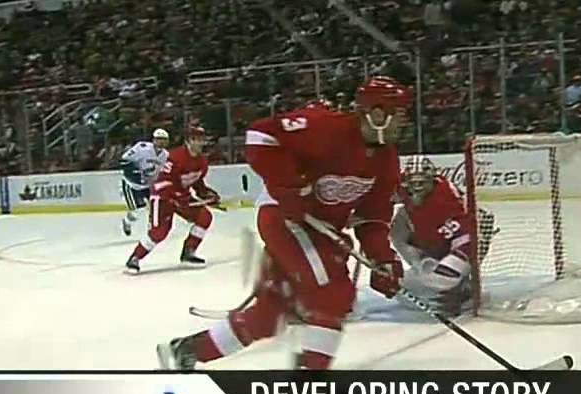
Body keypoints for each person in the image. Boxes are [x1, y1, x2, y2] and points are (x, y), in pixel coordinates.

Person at [156, 77, 412, 371]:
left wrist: (382, 258)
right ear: (377, 113)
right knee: (334, 293)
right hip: (284, 218)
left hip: (319, 231)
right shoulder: (326, 127)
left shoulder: (386, 161)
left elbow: (372, 217)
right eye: (399, 114)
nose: (404, 122)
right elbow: (260, 136)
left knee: (269, 316)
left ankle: (187, 351)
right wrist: (290, 188)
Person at [389, 158, 496, 315]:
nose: (416, 189)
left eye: (422, 183)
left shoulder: (444, 201)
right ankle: (436, 274)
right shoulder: (405, 189)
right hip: (446, 234)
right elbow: (382, 196)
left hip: (470, 237)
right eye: (413, 183)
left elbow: (464, 238)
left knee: (440, 279)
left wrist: (445, 272)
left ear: (432, 180)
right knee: (398, 228)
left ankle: (460, 290)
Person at [124, 125, 219, 273]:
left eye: (202, 139)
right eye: (196, 139)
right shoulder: (174, 157)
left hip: (182, 198)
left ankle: (189, 251)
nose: (200, 143)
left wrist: (207, 194)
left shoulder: (202, 162)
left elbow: (197, 183)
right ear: (188, 141)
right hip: (162, 197)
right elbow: (163, 181)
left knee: (204, 217)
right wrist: (177, 197)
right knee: (159, 232)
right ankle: (135, 257)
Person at [119, 128, 171, 236]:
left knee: (156, 207)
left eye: (164, 139)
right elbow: (124, 161)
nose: (161, 142)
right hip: (132, 185)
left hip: (149, 186)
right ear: (153, 139)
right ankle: (127, 222)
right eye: (159, 139)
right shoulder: (142, 148)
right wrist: (134, 173)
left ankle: (153, 228)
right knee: (138, 209)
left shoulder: (166, 155)